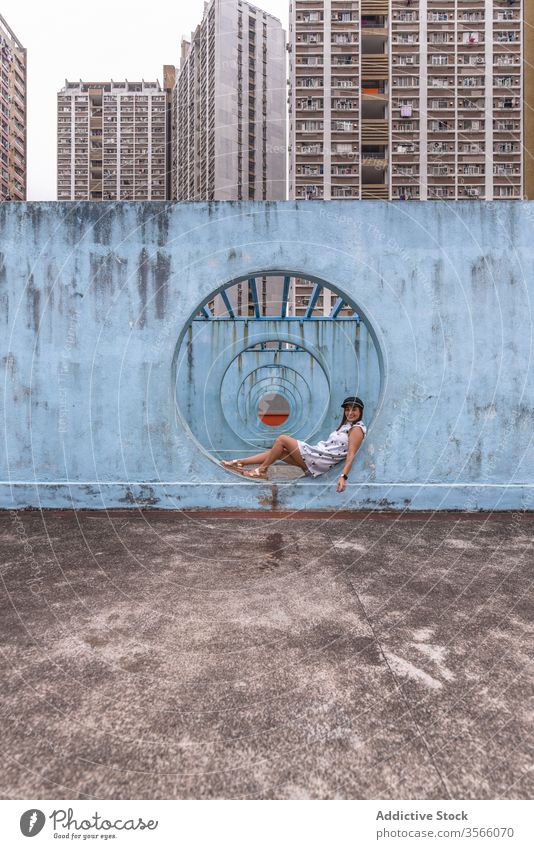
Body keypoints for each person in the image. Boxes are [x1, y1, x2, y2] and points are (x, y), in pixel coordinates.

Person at [220, 396, 366, 493]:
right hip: (316, 458)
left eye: (354, 409)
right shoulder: (346, 426)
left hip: (319, 460)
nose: (350, 412)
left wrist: (343, 477)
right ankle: (240, 462)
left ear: (360, 411)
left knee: (282, 439)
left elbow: (351, 454)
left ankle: (261, 470)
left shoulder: (357, 429)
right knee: (280, 452)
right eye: (347, 409)